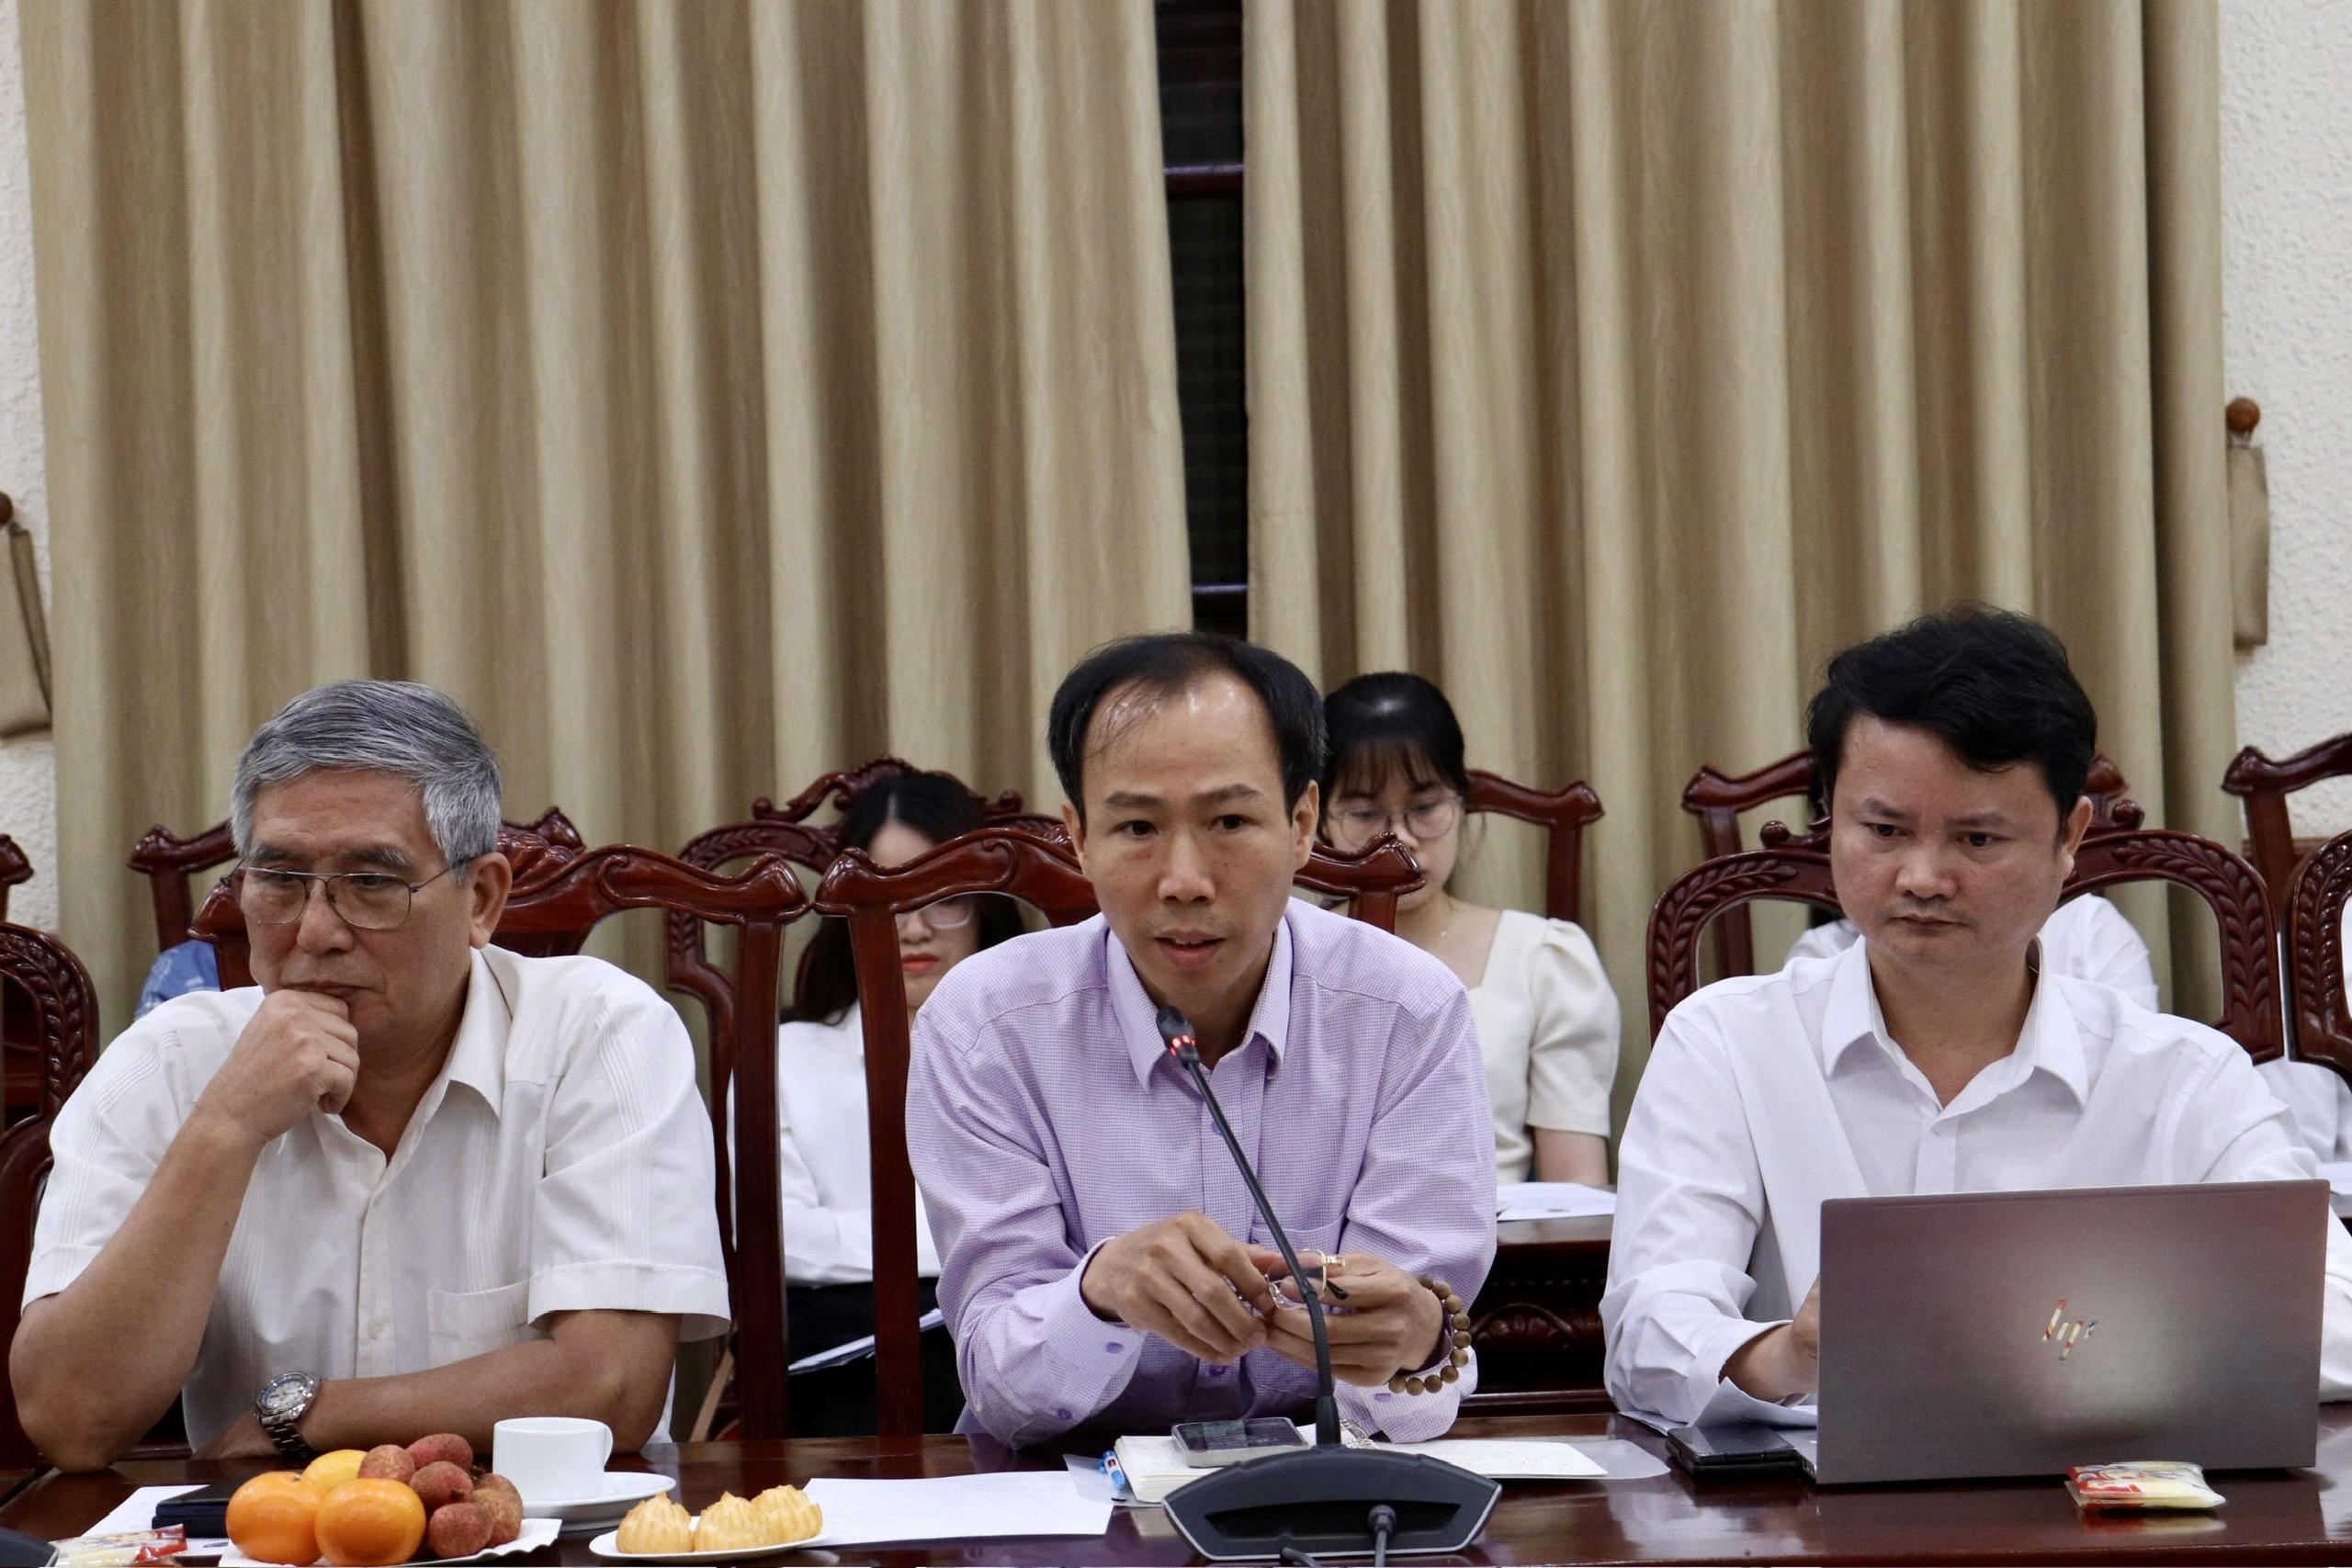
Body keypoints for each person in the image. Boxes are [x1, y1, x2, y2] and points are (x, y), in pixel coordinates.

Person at [1601, 608, 2352, 1427]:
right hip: (1806, 1497)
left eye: (1978, 839)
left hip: (2102, 1487)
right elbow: (1649, 1331)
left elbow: (2337, 1319)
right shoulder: (1727, 1042)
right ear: (1830, 817)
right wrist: (1787, 1355)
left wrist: (2079, 1349)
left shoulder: (2184, 1077)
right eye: (1883, 829)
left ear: (2069, 835)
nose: (1922, 877)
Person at [14, 682, 730, 1471]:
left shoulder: (599, 1033)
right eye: (279, 879)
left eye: (372, 883)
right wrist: (225, 1127)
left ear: (481, 898)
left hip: (547, 1524)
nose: (316, 932)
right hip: (269, 1532)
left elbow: (612, 1385)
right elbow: (71, 1419)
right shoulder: (167, 1064)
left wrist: (309, 1414)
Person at [906, 633, 1496, 1447]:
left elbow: (1415, 1388)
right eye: (1137, 827)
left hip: (1328, 1483)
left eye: (1229, 820)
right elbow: (1002, 1390)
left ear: (1302, 823)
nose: (1184, 878)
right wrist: (1099, 1293)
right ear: (1079, 837)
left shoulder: (1407, 1012)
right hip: (1065, 1495)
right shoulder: (984, 1027)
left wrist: (1414, 1342)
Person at [773, 770, 1022, 1434]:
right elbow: (783, 1243)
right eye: (888, 898)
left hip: (1016, 1348)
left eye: (942, 898)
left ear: (985, 905)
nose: (913, 928)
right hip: (848, 1366)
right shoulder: (784, 1055)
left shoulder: (1040, 1050)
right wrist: (981, 1240)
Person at [1320, 672, 1618, 1185]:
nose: (1399, 839)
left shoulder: (1541, 959)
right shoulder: (1285, 953)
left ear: (1461, 803)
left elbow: (1575, 1188)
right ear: (1318, 820)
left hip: (1500, 1233)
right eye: (1365, 812)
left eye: (1424, 807)